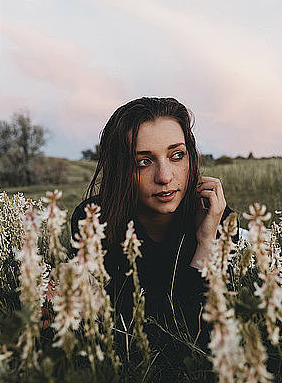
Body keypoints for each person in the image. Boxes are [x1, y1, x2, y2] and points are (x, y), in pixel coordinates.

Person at [70, 97, 237, 371]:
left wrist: (206, 243)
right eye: (144, 161)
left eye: (177, 155)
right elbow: (132, 339)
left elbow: (206, 339)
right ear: (121, 168)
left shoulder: (215, 216)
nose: (165, 176)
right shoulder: (94, 220)